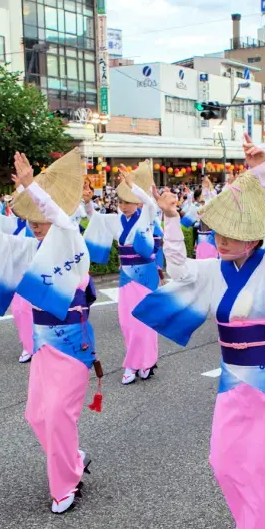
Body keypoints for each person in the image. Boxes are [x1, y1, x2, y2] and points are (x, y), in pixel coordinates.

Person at [131, 134, 265, 529]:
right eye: (217, 232)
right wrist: (172, 220)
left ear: (253, 237)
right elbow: (179, 271)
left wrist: (263, 172)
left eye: (233, 233)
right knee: (225, 463)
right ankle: (255, 527)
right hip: (234, 382)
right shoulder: (214, 271)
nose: (222, 239)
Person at [0, 150, 97, 514]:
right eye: (31, 219)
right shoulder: (30, 249)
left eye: (41, 218)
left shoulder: (72, 241)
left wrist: (31, 186)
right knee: (38, 416)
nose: (36, 225)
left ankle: (66, 484)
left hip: (73, 344)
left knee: (60, 413)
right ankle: (73, 457)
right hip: (43, 346)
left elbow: (60, 222)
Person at [84, 159, 160, 385]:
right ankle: (135, 362)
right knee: (127, 322)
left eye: (129, 201)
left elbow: (152, 205)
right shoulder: (116, 221)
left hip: (146, 275)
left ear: (137, 201)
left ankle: (141, 363)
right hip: (127, 276)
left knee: (144, 321)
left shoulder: (147, 216)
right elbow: (94, 219)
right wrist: (88, 203)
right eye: (121, 201)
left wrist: (133, 184)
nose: (124, 205)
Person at [0, 177, 37, 364]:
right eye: (16, 200)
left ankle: (45, 344)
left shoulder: (42, 223)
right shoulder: (11, 224)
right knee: (21, 310)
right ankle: (29, 345)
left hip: (43, 277)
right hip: (20, 279)